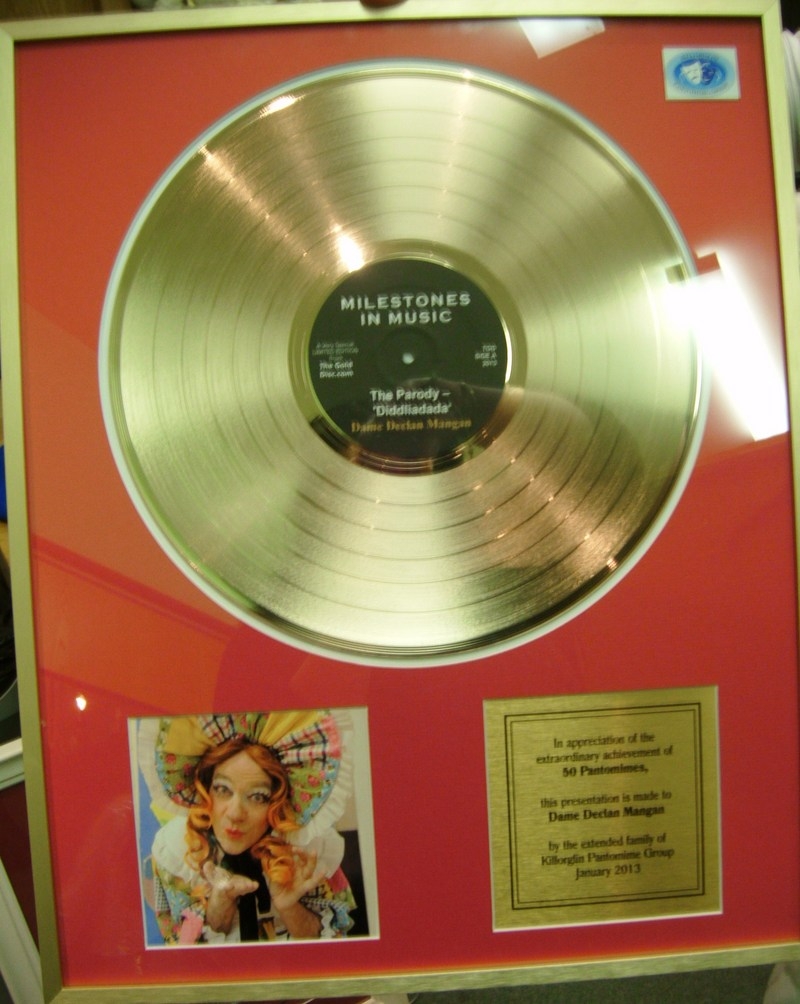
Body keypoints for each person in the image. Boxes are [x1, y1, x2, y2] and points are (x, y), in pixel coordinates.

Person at [140, 710, 356, 944]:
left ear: (278, 802)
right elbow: (181, 951)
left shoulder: (309, 852)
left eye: (257, 797)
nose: (235, 814)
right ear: (206, 788)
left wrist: (289, 906)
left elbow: (336, 946)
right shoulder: (176, 851)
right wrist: (219, 905)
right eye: (222, 789)